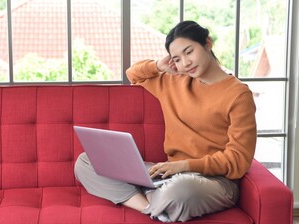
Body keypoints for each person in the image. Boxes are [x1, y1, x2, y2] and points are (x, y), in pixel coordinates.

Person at [75, 20, 257, 222]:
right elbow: (133, 74)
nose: (185, 63)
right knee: (85, 161)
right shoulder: (173, 81)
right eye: (177, 59)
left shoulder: (238, 94)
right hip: (167, 174)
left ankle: (150, 196)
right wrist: (158, 66)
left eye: (189, 52)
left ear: (207, 43)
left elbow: (239, 160)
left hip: (213, 182)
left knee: (180, 191)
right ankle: (152, 208)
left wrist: (185, 166)